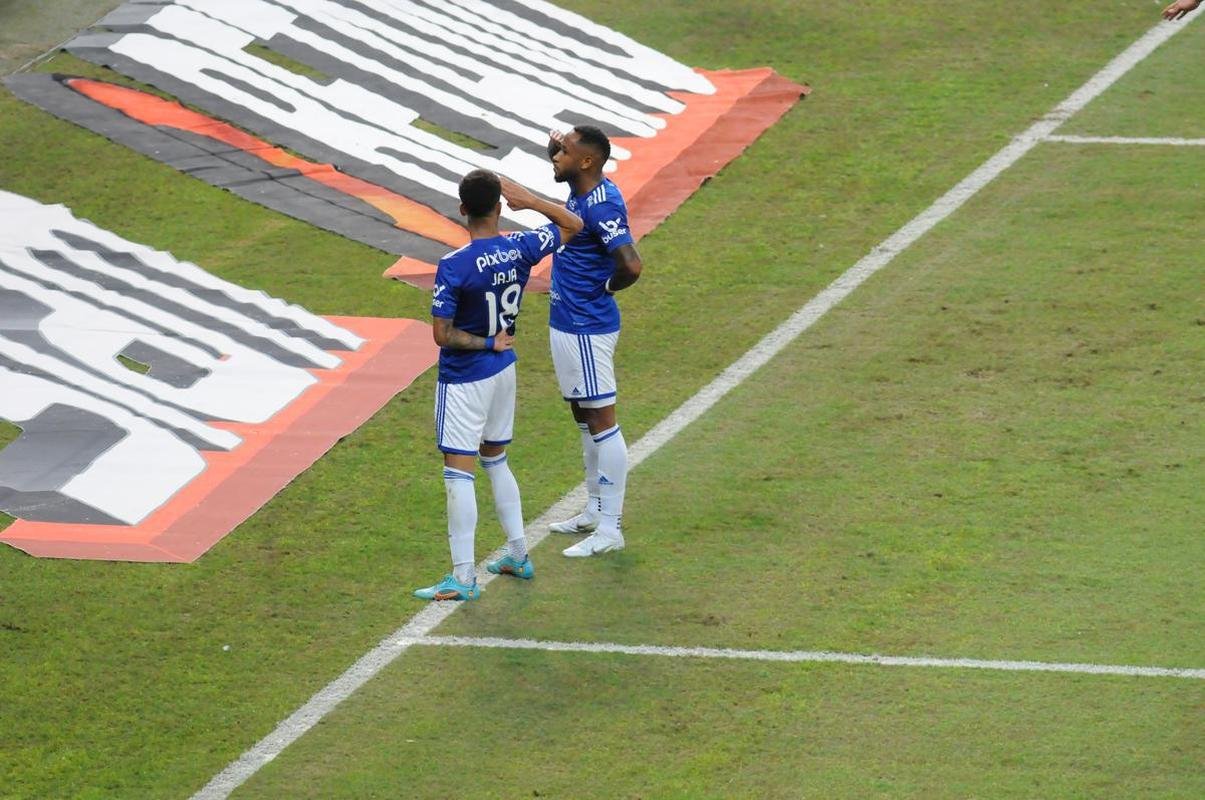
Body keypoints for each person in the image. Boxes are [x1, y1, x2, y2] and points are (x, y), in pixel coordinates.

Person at [414, 170, 582, 601]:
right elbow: (573, 224)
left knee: (458, 472)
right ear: (500, 206)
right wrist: (533, 201)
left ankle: (463, 577)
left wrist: (486, 342)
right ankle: (518, 555)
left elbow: (442, 335)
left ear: (462, 209)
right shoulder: (520, 246)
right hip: (504, 370)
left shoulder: (454, 265)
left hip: (466, 377)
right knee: (496, 460)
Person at [544, 126, 644, 558]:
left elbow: (631, 265)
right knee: (583, 415)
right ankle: (594, 508)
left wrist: (602, 288)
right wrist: (558, 142)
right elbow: (562, 164)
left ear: (586, 161)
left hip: (586, 326)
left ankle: (610, 528)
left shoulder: (600, 206)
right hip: (567, 322)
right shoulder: (582, 186)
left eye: (563, 151)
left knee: (602, 421)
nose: (555, 156)